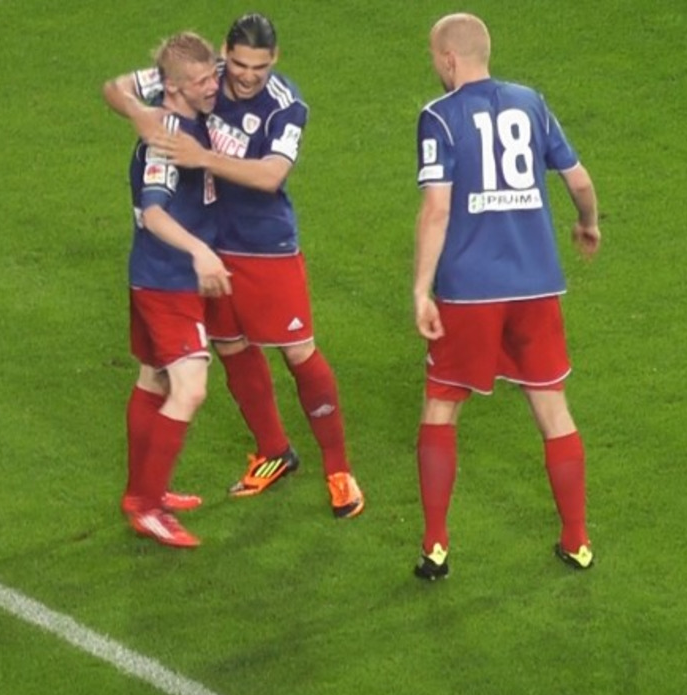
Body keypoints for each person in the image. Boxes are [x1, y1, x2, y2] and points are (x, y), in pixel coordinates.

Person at [103, 13, 364, 519]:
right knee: (229, 344)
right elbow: (116, 88)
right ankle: (274, 452)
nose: (246, 77)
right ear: (226, 53)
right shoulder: (205, 74)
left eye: (259, 68)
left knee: (297, 349)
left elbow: (271, 175)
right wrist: (140, 115)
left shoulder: (285, 106)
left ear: (275, 60)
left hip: (265, 244)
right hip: (209, 244)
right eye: (240, 65)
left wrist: (202, 158)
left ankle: (339, 470)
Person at [410, 13, 602, 579]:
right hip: (537, 286)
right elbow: (579, 180)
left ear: (449, 58)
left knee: (441, 406)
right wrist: (588, 222)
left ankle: (436, 546)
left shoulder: (439, 117)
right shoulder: (531, 102)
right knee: (552, 408)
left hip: (469, 291)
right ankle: (577, 540)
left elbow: (437, 208)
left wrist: (421, 289)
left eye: (434, 57)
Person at [119, 31, 230, 548]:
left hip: (154, 275)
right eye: (202, 81)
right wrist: (199, 251)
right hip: (168, 280)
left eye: (212, 76)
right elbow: (154, 213)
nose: (213, 87)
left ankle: (140, 493)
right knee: (190, 389)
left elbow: (117, 88)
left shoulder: (186, 106)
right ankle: (148, 506)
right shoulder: (164, 140)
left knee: (153, 380)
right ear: (174, 88)